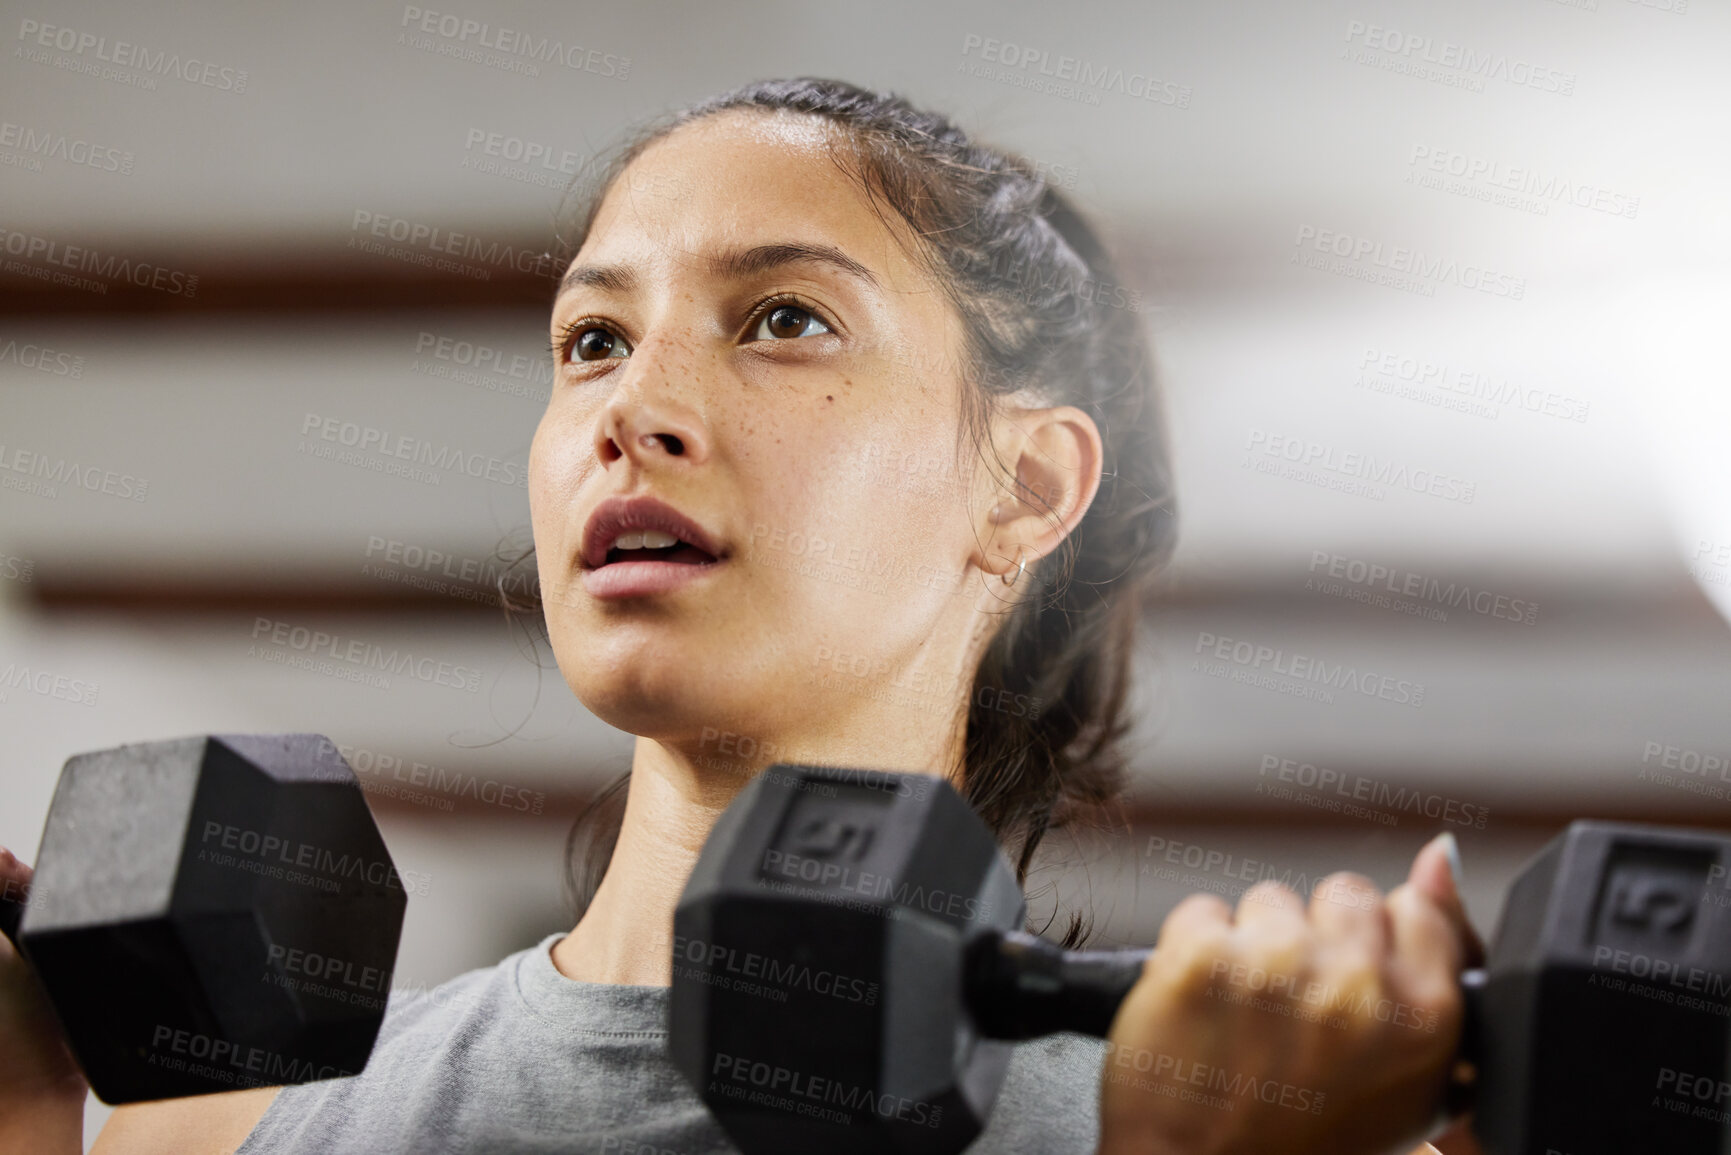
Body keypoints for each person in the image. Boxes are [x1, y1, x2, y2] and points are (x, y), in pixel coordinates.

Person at [0, 78, 1476, 1155]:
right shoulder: (222, 1126)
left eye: (784, 319)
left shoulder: (1279, 1128)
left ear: (1024, 485)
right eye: (592, 339)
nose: (632, 408)